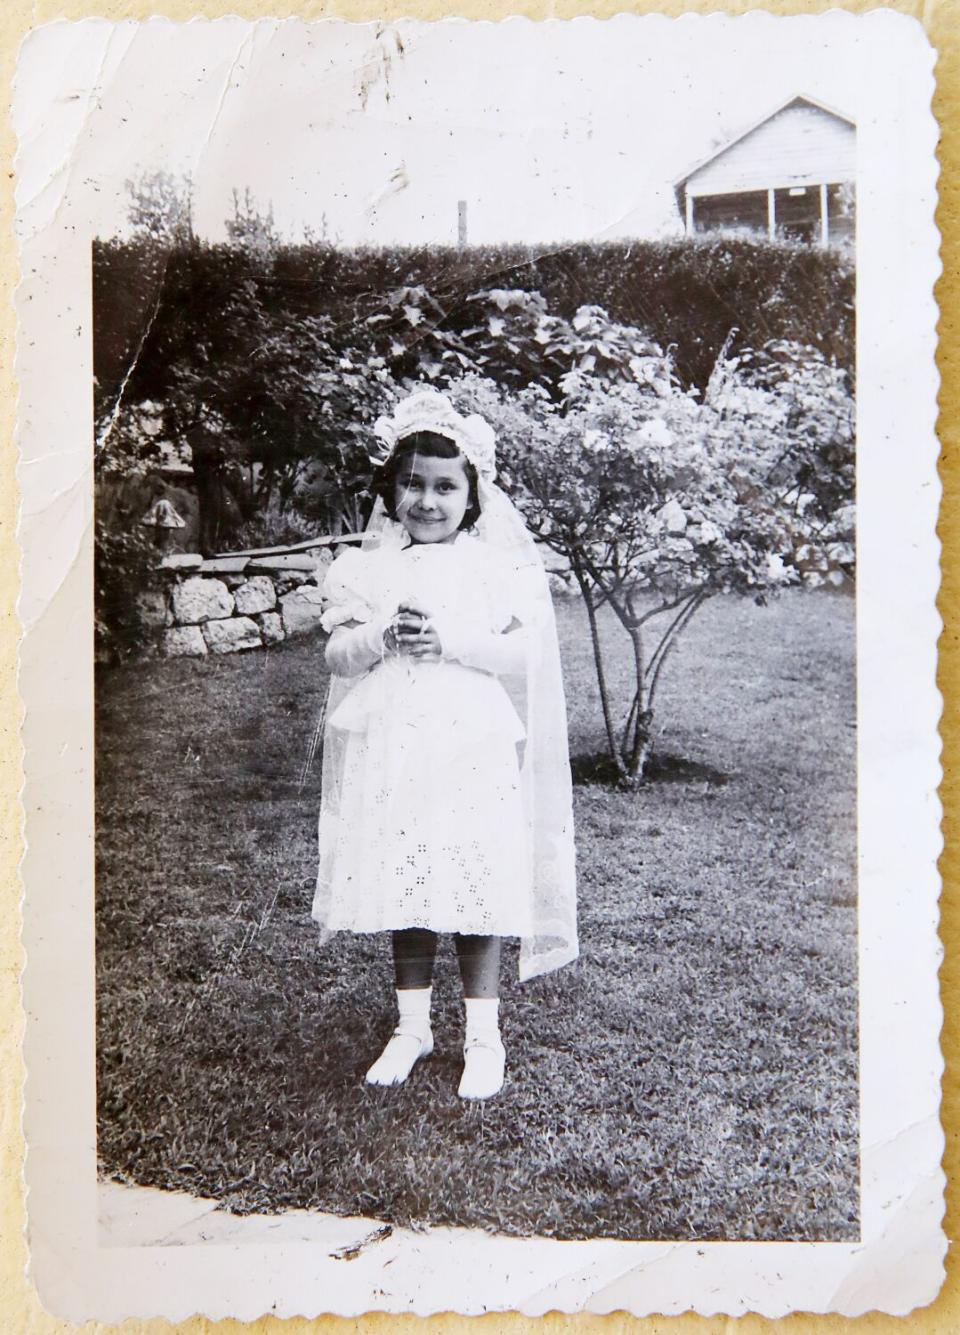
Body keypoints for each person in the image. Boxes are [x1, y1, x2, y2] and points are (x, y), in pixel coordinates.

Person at [313, 389, 577, 1100]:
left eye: (444, 486)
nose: (427, 500)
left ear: (471, 496)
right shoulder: (367, 570)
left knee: (473, 877)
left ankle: (483, 1035)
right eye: (413, 484)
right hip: (395, 743)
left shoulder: (492, 571)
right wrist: (378, 636)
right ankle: (412, 1024)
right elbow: (337, 656)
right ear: (392, 490)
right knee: (408, 875)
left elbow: (526, 659)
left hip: (468, 742)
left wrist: (453, 642)